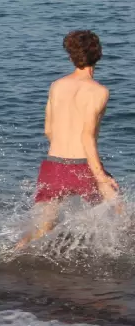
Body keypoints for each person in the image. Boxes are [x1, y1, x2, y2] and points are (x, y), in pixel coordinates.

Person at [17, 30, 120, 249]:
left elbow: (48, 129)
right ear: (99, 54)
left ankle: (2, 260)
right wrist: (100, 176)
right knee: (120, 216)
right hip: (83, 167)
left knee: (40, 229)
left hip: (53, 165)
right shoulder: (99, 91)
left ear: (71, 56)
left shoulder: (57, 85)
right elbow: (86, 136)